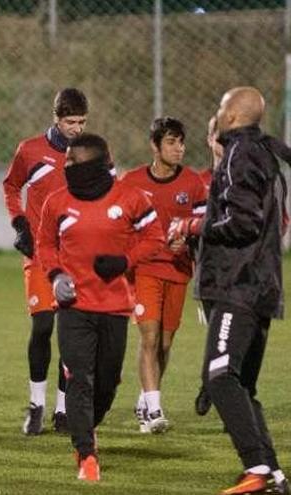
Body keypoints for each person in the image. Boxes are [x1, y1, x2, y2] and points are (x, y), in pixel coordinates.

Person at [171, 87, 289, 495]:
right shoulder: (264, 156)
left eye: (221, 106)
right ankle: (271, 473)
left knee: (219, 377)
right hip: (262, 287)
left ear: (235, 116)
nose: (217, 112)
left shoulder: (242, 155)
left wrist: (193, 227)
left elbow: (242, 222)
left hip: (241, 285)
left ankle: (255, 469)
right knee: (241, 385)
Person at [38, 133, 163, 482]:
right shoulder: (57, 202)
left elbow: (155, 238)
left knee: (105, 383)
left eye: (73, 163)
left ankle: (87, 425)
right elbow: (45, 244)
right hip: (72, 307)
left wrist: (125, 260)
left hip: (115, 307)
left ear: (93, 164)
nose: (66, 168)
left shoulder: (130, 198)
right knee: (79, 380)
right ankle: (86, 454)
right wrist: (56, 274)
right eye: (65, 163)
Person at [3, 88, 88, 435]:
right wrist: (20, 223)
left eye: (82, 122)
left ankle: (63, 409)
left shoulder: (90, 151)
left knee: (70, 335)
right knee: (42, 327)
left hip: (76, 258)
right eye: (70, 122)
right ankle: (36, 405)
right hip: (39, 255)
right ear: (56, 118)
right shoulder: (31, 150)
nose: (77, 129)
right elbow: (10, 186)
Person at [120, 117, 206, 433]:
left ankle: (146, 398)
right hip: (144, 270)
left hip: (179, 271)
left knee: (165, 345)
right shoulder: (130, 182)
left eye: (181, 142)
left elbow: (204, 227)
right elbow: (119, 223)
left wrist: (191, 238)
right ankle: (154, 411)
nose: (179, 148)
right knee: (150, 337)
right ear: (155, 146)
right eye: (171, 142)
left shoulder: (194, 184)